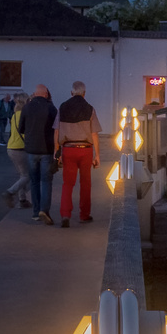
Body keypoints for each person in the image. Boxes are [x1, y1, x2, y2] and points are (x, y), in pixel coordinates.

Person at [55, 81, 100, 227]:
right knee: (85, 183)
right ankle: (84, 215)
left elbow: (56, 130)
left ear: (71, 93)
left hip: (68, 148)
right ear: (84, 93)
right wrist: (97, 155)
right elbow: (94, 134)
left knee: (67, 183)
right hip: (85, 149)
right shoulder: (90, 109)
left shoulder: (62, 107)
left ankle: (65, 214)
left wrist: (57, 151)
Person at [18, 85, 59, 225]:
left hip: (31, 150)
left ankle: (35, 212)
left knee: (34, 181)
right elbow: (57, 129)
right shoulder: (51, 108)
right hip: (47, 150)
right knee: (46, 181)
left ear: (35, 94)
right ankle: (44, 210)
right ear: (46, 94)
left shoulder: (27, 107)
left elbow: (21, 128)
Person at [3, 97, 30, 208]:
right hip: (20, 148)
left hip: (11, 147)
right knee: (27, 176)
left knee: (22, 174)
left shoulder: (14, 116)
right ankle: (10, 192)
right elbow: (25, 133)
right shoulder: (25, 116)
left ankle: (22, 199)